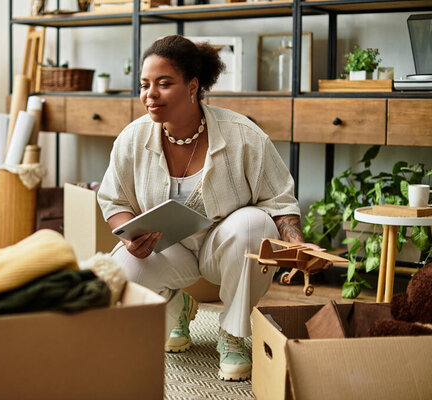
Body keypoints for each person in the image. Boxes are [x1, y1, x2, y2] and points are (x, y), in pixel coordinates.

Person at [97, 34, 328, 382]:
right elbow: (113, 199)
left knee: (254, 224)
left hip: (225, 248)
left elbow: (279, 201)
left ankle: (233, 333)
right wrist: (130, 233)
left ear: (193, 86)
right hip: (168, 250)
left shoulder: (242, 135)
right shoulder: (132, 138)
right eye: (145, 85)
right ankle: (178, 309)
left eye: (164, 83)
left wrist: (295, 242)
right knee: (125, 268)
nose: (150, 94)